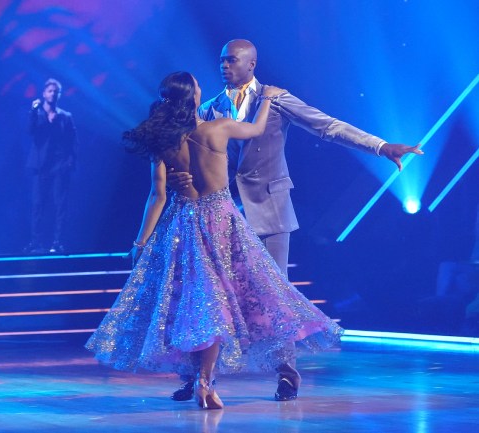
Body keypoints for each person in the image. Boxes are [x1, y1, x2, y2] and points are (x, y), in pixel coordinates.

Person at [167, 39, 424, 402]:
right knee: (208, 296)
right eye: (222, 60)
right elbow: (187, 154)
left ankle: (287, 375)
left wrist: (380, 147)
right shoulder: (209, 108)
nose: (224, 66)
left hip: (269, 209)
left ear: (251, 64)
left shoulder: (275, 99)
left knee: (276, 295)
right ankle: (198, 378)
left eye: (232, 60)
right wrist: (177, 178)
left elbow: (328, 126)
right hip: (222, 213)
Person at [85, 71, 343, 410]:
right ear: (193, 97)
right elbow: (256, 129)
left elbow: (157, 196)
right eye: (197, 87)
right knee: (218, 303)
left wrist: (140, 243)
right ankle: (204, 381)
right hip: (221, 222)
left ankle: (202, 379)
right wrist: (267, 99)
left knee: (195, 305)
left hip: (182, 224)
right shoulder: (218, 128)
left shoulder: (163, 142)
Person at [24, 78, 78, 254]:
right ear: (44, 93)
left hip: (60, 166)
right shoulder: (37, 113)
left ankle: (58, 241)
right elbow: (30, 131)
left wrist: (70, 162)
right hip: (41, 166)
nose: (53, 94)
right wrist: (33, 111)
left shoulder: (65, 116)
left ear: (59, 95)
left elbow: (72, 141)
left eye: (56, 91)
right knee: (38, 204)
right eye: (50, 91)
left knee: (60, 205)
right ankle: (35, 242)